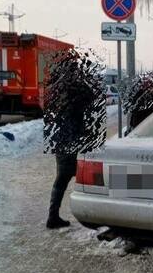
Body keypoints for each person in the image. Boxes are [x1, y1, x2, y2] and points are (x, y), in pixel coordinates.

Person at [43, 50, 106, 229]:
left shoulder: (54, 86)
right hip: (73, 138)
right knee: (86, 175)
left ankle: (54, 215)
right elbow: (90, 99)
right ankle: (92, 216)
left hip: (59, 138)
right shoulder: (74, 86)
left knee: (65, 176)